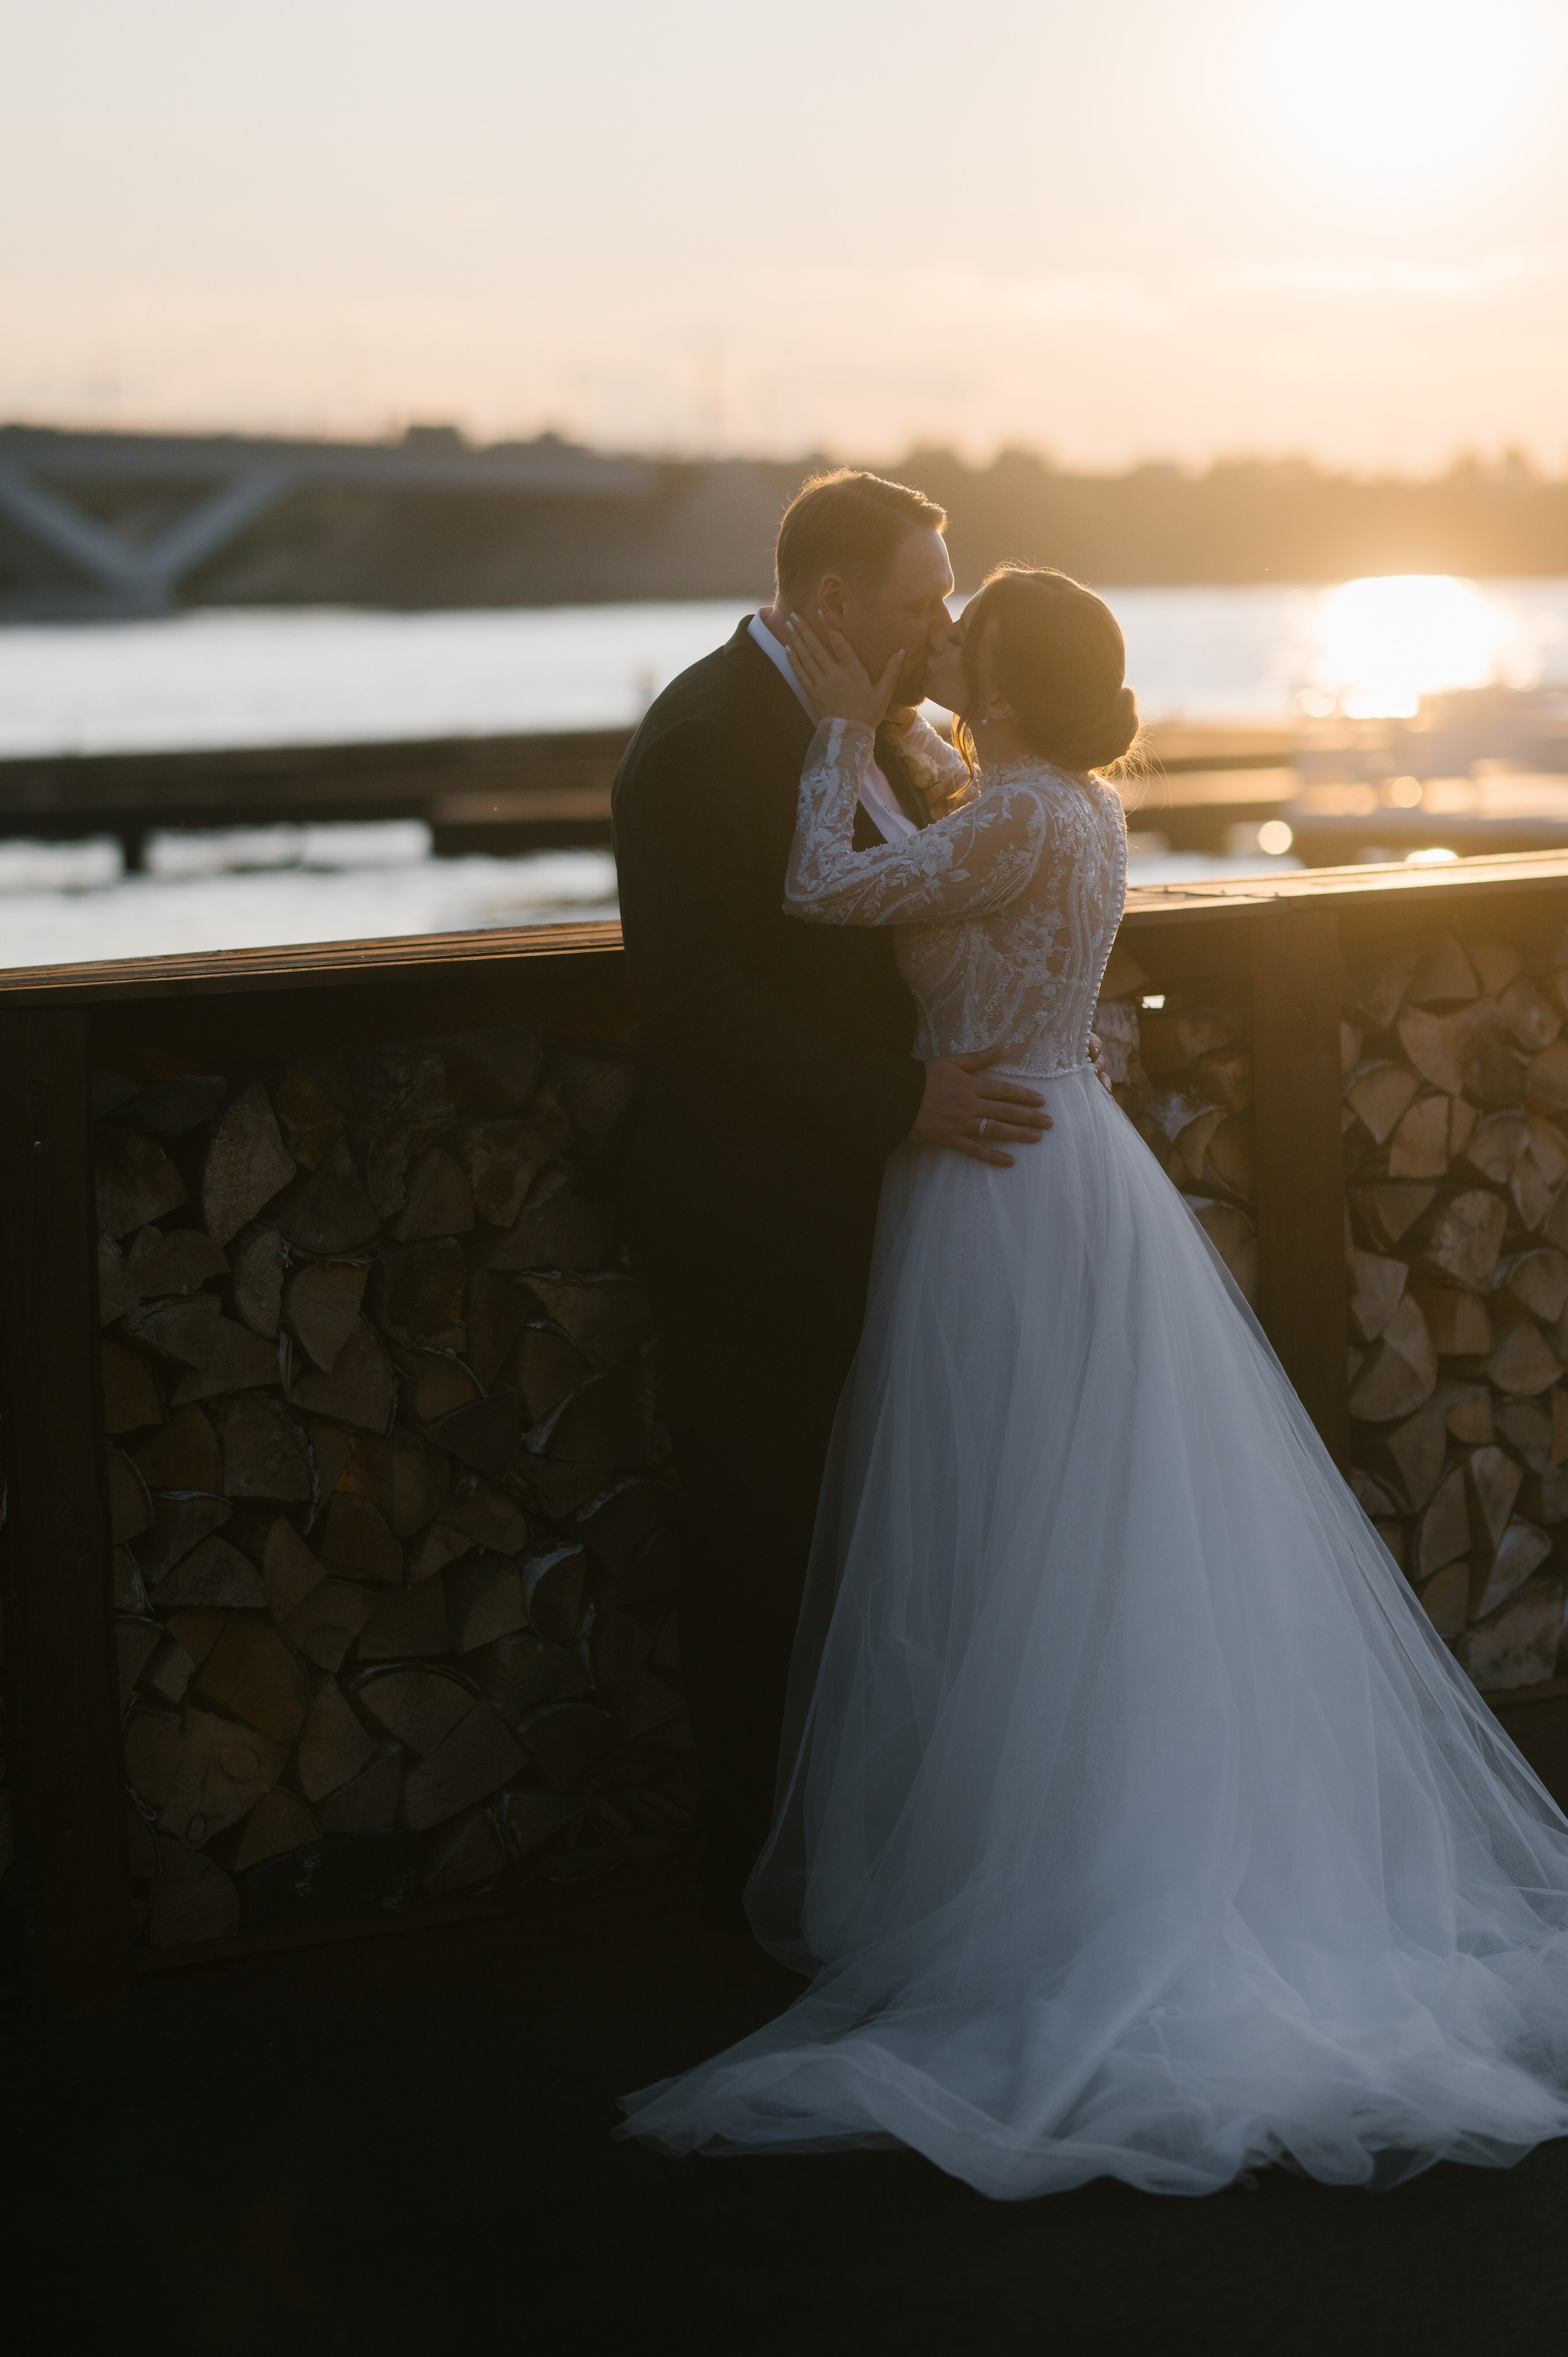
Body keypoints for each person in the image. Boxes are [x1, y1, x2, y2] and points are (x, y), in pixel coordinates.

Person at [619, 567, 1568, 2197]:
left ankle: (1044, 1870)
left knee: (1006, 1513)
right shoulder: (1070, 805)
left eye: (963, 642)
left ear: (1012, 671)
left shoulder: (1015, 812)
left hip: (995, 1184)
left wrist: (838, 738)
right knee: (1081, 1513)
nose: (939, 655)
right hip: (1060, 1150)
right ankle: (1047, 1840)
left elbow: (820, 890)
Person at [611, 473, 1060, 1903]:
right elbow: (694, 1004)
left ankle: (897, 1852)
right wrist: (898, 1097)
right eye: (925, 597)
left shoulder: (894, 731)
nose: (946, 621)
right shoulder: (698, 740)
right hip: (762, 1219)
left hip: (908, 1211)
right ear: (832, 603)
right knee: (763, 1544)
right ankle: (758, 1874)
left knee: (899, 1545)